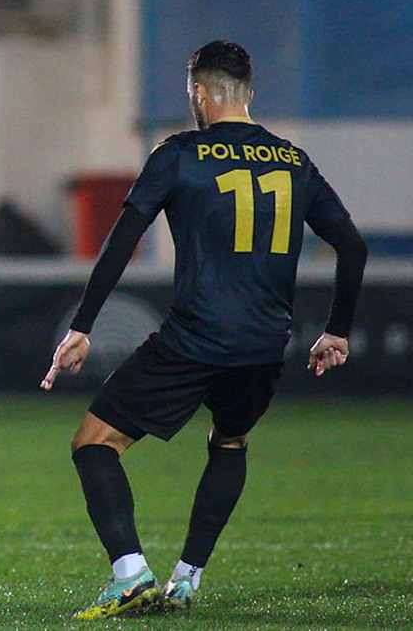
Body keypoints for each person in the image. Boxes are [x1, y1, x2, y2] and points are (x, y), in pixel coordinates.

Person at [40, 40, 366, 619]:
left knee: (94, 443)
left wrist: (82, 326)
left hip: (194, 339)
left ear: (200, 93)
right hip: (266, 344)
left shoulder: (179, 154)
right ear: (250, 95)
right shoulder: (294, 161)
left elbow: (122, 242)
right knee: (230, 442)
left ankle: (131, 574)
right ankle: (186, 579)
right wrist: (336, 331)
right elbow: (352, 246)